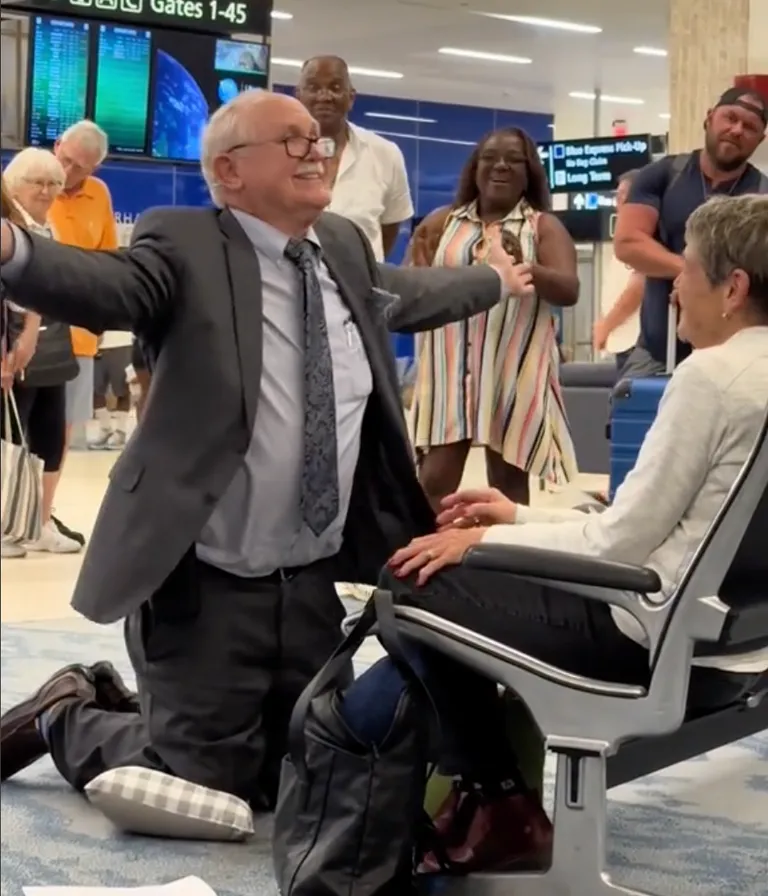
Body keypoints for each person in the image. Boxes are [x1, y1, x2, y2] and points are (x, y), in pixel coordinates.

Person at [0, 91, 535, 809]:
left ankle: (169, 713)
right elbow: (104, 284)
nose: (316, 150)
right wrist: (10, 248)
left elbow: (404, 293)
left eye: (316, 140)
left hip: (309, 582)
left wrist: (495, 281)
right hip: (204, 583)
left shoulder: (343, 243)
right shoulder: (185, 245)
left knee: (305, 770)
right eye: (291, 141)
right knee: (201, 781)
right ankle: (68, 710)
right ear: (230, 170)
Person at [338, 193, 768, 873]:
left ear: (734, 287)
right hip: (740, 650)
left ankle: (497, 799)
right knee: (448, 575)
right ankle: (478, 795)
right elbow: (667, 530)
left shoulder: (711, 378)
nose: (675, 287)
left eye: (685, 270)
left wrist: (480, 544)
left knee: (407, 580)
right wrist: (518, 516)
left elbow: (618, 548)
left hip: (649, 643)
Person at [408, 127, 579, 509]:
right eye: (490, 157)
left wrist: (526, 267)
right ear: (475, 167)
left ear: (529, 171)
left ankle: (500, 561)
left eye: (513, 159)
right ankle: (423, 558)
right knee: (434, 479)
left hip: (512, 367)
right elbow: (412, 286)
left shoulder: (543, 227)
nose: (500, 166)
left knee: (506, 482)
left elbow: (569, 290)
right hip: (449, 369)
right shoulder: (442, 222)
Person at [614, 86, 767, 379]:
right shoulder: (662, 175)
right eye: (730, 118)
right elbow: (628, 243)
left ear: (760, 140)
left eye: (749, 127)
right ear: (709, 118)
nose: (737, 130)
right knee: (627, 418)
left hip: (734, 361)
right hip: (657, 354)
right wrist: (689, 271)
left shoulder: (761, 197)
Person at [0, 149, 82, 557]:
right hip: (14, 346)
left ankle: (41, 521)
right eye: (39, 183)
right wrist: (16, 340)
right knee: (9, 438)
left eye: (54, 183)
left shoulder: (48, 228)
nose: (48, 191)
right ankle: (4, 523)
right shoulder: (8, 228)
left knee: (49, 438)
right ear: (14, 185)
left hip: (52, 346)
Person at [49, 119, 120, 542]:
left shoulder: (100, 195)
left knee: (59, 433)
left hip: (77, 337)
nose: (69, 174)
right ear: (56, 146)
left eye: (82, 168)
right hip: (25, 333)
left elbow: (106, 260)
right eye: (67, 160)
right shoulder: (26, 180)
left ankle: (41, 513)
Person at [296, 55, 414, 261]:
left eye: (335, 87)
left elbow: (389, 228)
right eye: (314, 87)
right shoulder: (275, 152)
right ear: (299, 96)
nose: (324, 96)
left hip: (362, 288)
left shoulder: (385, 153)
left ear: (351, 98)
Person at [592, 170, 643, 370]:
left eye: (624, 196)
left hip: (636, 343)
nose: (618, 203)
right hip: (623, 342)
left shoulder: (645, 236)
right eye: (617, 196)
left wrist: (606, 326)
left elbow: (638, 288)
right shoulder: (626, 235)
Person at [90, 330, 134, 450]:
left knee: (122, 389)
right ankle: (105, 428)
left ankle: (121, 431)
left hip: (121, 343)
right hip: (94, 345)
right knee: (94, 389)